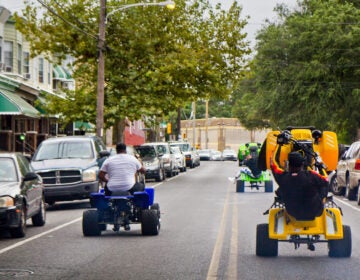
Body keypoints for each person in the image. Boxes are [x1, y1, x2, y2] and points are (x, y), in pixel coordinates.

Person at [271, 151, 329, 220]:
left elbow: (273, 166)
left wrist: (274, 152)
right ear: (302, 164)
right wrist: (320, 165)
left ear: (289, 164)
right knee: (322, 186)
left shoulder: (283, 178)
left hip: (292, 212)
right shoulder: (312, 176)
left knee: (281, 190)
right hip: (315, 211)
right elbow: (326, 180)